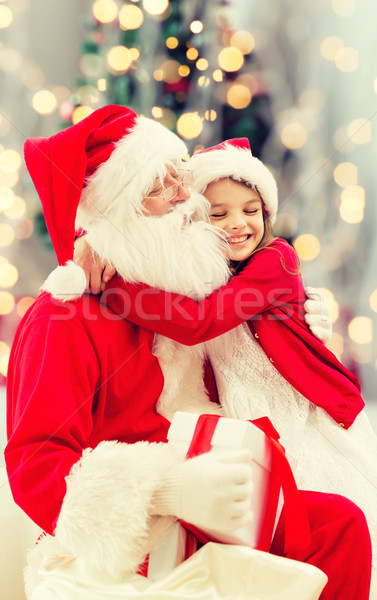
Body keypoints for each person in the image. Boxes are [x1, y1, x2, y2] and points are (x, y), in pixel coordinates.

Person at [5, 106, 371, 599]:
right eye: (162, 186)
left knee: (341, 525)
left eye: (181, 176)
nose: (187, 198)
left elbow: (240, 301)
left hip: (225, 486)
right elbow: (36, 460)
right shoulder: (64, 316)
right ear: (119, 208)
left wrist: (306, 309)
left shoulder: (179, 289)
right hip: (137, 531)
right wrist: (166, 492)